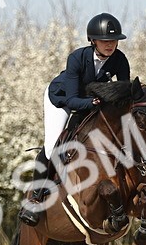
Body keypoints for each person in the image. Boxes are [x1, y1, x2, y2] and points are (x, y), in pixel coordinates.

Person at [19, 12, 132, 226]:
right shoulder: (77, 58)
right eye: (105, 41)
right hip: (62, 100)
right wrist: (95, 103)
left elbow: (123, 94)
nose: (110, 45)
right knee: (53, 146)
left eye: (114, 40)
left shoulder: (120, 60)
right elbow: (72, 101)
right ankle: (36, 197)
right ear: (93, 41)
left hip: (93, 102)